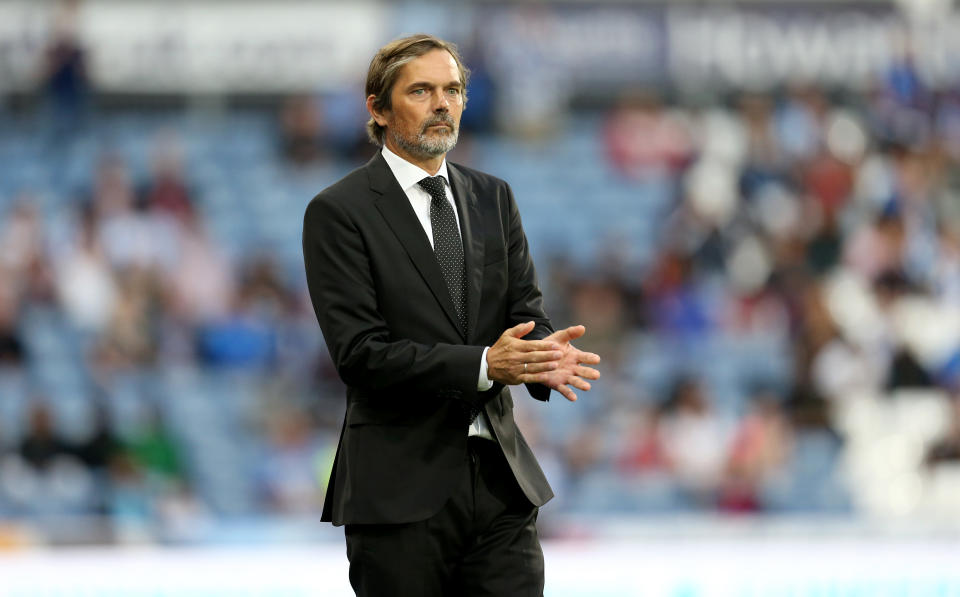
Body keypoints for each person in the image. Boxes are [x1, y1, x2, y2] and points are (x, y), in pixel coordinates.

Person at [302, 34, 601, 596]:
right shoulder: (338, 212)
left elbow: (524, 312)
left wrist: (541, 355)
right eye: (422, 90)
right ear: (378, 109)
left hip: (501, 484)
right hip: (398, 492)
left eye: (453, 90)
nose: (443, 103)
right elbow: (360, 354)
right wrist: (487, 364)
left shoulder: (494, 197)